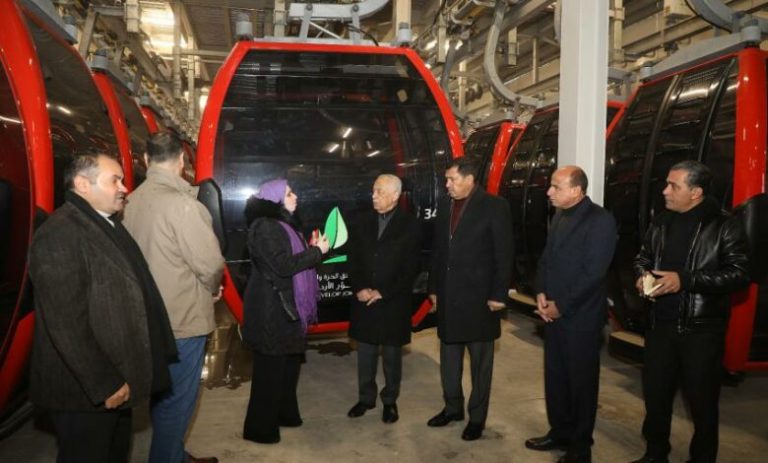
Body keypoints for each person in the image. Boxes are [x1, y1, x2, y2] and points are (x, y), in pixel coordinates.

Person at [29, 153, 176, 463]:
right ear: (83, 184)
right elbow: (66, 324)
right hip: (86, 390)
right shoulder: (59, 234)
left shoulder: (103, 224)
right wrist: (104, 383)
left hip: (115, 378)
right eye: (115, 180)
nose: (124, 187)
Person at [629, 161, 750, 463]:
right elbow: (643, 258)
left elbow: (739, 275)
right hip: (659, 326)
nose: (665, 191)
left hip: (701, 332)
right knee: (656, 398)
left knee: (702, 405)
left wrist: (685, 280)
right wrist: (643, 277)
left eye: (674, 186)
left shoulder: (724, 225)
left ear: (696, 192)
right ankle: (655, 454)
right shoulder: (661, 221)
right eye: (667, 183)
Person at [123, 132, 225, 463]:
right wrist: (213, 288)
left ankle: (175, 454)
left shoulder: (128, 203)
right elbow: (210, 265)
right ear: (182, 161)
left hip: (144, 320)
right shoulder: (184, 206)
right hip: (181, 321)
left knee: (162, 396)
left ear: (145, 160)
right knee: (178, 402)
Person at [524, 166, 617, 463]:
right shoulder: (561, 216)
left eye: (556, 186)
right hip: (554, 314)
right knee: (556, 379)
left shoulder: (600, 220)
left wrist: (561, 305)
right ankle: (560, 433)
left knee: (581, 385)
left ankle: (580, 448)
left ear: (576, 191)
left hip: (581, 319)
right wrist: (540, 291)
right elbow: (547, 259)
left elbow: (593, 273)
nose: (549, 192)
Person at [426, 157, 512, 441]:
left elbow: (504, 253)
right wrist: (433, 288)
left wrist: (499, 294)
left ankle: (477, 418)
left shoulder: (495, 206)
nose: (447, 185)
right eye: (446, 179)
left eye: (452, 179)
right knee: (449, 361)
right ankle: (452, 408)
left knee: (480, 365)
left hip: (480, 301)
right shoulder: (445, 205)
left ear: (469, 179)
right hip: (449, 298)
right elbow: (438, 251)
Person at [241, 178, 330, 444]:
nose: (295, 197)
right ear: (276, 199)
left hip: (286, 308)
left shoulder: (284, 225)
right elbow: (283, 266)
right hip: (271, 309)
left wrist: (311, 249)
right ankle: (260, 429)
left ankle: (285, 415)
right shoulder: (266, 227)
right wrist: (316, 252)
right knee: (270, 372)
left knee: (288, 367)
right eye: (290, 193)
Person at [346, 174, 422, 423]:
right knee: (365, 355)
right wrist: (360, 287)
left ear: (395, 195)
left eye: (379, 191)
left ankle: (390, 401)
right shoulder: (361, 221)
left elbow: (411, 268)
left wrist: (383, 292)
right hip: (364, 300)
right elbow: (353, 259)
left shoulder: (410, 225)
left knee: (391, 357)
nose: (374, 195)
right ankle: (365, 398)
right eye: (373, 191)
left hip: (393, 301)